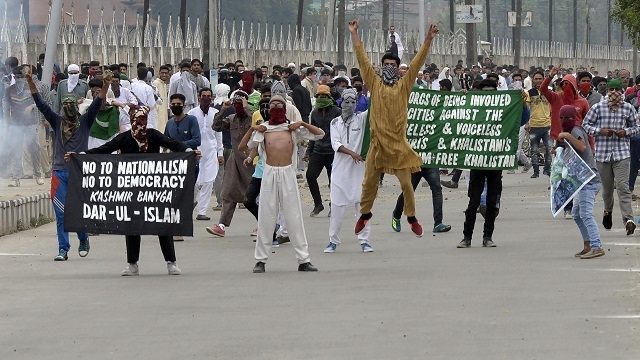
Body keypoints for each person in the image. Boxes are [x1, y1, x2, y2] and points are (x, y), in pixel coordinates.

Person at [81, 106, 199, 275]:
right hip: (132, 191)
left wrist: (189, 152)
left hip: (154, 189)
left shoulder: (153, 135)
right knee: (132, 226)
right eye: (137, 120)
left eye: (143, 119)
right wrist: (81, 155)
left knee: (162, 224)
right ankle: (132, 264)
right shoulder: (124, 138)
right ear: (131, 121)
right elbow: (103, 150)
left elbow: (172, 144)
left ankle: (171, 262)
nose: (140, 123)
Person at [349, 19, 439, 237]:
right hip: (377, 146)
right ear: (381, 67)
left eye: (393, 65)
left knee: (407, 185)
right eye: (386, 64)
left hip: (398, 147)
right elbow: (362, 60)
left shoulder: (404, 85)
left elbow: (417, 63)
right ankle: (365, 214)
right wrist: (354, 34)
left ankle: (411, 217)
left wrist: (428, 40)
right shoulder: (374, 83)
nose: (389, 67)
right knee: (369, 183)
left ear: (398, 69)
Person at [26, 66, 112, 261]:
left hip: (78, 173)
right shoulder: (56, 122)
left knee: (79, 211)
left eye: (70, 103)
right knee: (60, 213)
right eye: (64, 104)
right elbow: (40, 104)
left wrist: (106, 84)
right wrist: (30, 82)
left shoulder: (86, 121)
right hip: (59, 173)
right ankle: (63, 249)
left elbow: (98, 102)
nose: (67, 106)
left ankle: (83, 238)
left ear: (76, 106)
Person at [241, 95, 324, 273]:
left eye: (280, 105)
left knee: (294, 216)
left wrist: (301, 124)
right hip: (269, 173)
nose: (276, 107)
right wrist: (252, 129)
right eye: (273, 105)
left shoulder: (292, 129)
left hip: (287, 173)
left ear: (285, 108)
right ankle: (260, 261)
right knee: (266, 216)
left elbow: (320, 134)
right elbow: (242, 147)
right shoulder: (264, 130)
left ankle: (304, 260)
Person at [582, 78, 640, 235]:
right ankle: (608, 211)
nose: (614, 93)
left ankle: (628, 219)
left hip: (622, 153)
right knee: (607, 191)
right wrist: (600, 131)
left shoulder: (627, 108)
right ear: (607, 91)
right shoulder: (598, 108)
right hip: (603, 154)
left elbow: (636, 127)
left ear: (621, 91)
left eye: (617, 90)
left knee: (623, 187)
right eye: (611, 90)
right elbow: (586, 125)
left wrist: (625, 132)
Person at [324, 89, 372, 253]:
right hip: (340, 172)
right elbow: (336, 144)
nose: (349, 105)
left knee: (362, 206)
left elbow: (374, 107)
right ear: (341, 102)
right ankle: (333, 241)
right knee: (337, 207)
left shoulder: (361, 119)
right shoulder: (335, 123)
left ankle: (364, 241)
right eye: (346, 102)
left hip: (358, 171)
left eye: (353, 102)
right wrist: (352, 153)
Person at [457, 79, 504, 248]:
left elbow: (519, 121)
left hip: (495, 161)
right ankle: (466, 237)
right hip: (476, 161)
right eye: (485, 92)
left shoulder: (503, 108)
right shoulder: (472, 107)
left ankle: (487, 236)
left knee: (491, 202)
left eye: (492, 92)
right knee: (473, 202)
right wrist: (463, 99)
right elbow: (456, 117)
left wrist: (522, 103)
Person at [556, 105, 603, 259]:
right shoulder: (571, 131)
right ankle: (587, 244)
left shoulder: (575, 130)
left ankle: (597, 247)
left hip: (589, 179)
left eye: (567, 118)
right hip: (581, 179)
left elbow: (582, 147)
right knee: (576, 214)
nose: (564, 121)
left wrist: (567, 137)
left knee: (586, 214)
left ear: (573, 118)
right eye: (561, 118)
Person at [206, 90, 254, 237]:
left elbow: (257, 122)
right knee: (228, 192)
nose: (238, 105)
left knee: (256, 195)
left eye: (241, 102)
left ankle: (266, 225)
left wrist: (246, 107)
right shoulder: (232, 118)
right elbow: (216, 126)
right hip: (235, 160)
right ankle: (222, 225)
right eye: (236, 102)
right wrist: (223, 109)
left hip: (251, 160)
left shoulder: (253, 116)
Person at [188, 88, 223, 221]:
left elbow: (218, 134)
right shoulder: (192, 114)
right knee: (196, 182)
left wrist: (220, 152)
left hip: (211, 151)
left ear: (212, 98)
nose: (206, 98)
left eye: (209, 96)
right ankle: (190, 203)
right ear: (199, 96)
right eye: (204, 96)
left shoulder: (216, 113)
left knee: (209, 181)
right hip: (196, 151)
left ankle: (202, 212)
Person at [306, 84, 341, 217]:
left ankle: (334, 206)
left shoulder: (337, 112)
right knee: (310, 176)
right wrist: (308, 151)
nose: (321, 98)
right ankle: (318, 204)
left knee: (333, 181)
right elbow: (312, 134)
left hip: (333, 152)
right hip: (318, 150)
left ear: (329, 97)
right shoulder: (314, 113)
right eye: (319, 96)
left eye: (324, 96)